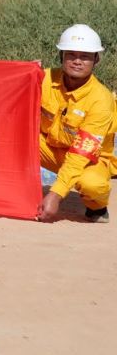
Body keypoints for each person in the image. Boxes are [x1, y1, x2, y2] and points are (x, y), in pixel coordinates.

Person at [38, 24, 112, 223]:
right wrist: (26, 71)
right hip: (48, 148)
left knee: (92, 184)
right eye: (71, 55)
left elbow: (81, 153)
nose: (77, 61)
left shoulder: (101, 100)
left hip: (88, 158)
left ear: (96, 60)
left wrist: (56, 194)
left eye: (85, 57)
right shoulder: (43, 78)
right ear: (61, 56)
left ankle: (97, 208)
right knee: (13, 138)